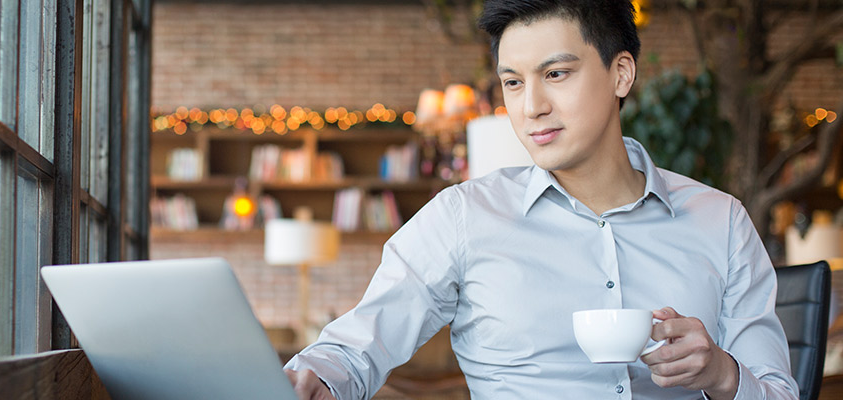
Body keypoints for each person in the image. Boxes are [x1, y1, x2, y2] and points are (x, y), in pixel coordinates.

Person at [282, 1, 798, 399]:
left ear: (621, 73)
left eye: (556, 74)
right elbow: (351, 352)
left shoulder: (721, 221)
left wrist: (722, 374)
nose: (531, 107)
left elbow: (777, 392)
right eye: (512, 82)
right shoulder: (462, 217)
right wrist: (314, 381)